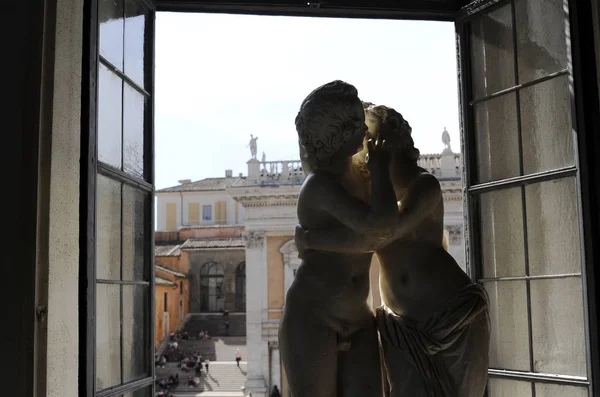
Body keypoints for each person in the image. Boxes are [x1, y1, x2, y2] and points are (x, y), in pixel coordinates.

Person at [296, 104, 490, 397]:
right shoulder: (377, 199)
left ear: (390, 143)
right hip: (403, 328)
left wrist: (312, 240)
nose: (363, 155)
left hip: (451, 317)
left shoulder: (425, 185)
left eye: (368, 143)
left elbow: (381, 235)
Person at [279, 81, 397, 397]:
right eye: (359, 122)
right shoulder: (319, 185)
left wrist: (314, 240)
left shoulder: (359, 180)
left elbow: (377, 235)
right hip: (312, 315)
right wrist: (382, 167)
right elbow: (381, 228)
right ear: (338, 132)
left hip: (360, 317)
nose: (366, 130)